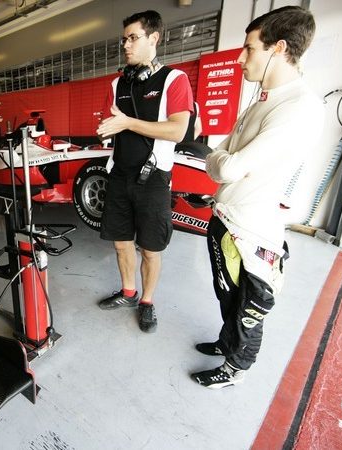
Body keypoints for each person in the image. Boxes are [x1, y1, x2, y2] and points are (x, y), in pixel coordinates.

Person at [191, 6, 323, 388]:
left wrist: (220, 161)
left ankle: (237, 368)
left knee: (249, 304)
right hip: (226, 216)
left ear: (278, 48)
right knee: (227, 295)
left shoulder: (299, 107)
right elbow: (221, 154)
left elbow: (224, 166)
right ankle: (225, 342)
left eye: (249, 49)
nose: (239, 57)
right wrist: (222, 160)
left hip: (253, 230)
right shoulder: (262, 99)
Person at [95, 10, 194, 333]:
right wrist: (108, 129)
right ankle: (128, 292)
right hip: (119, 175)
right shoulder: (116, 83)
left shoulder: (174, 80)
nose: (126, 44)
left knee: (151, 248)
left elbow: (178, 131)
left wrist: (127, 122)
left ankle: (147, 302)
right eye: (124, 39)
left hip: (153, 179)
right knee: (121, 243)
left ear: (154, 38)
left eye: (133, 38)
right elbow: (113, 126)